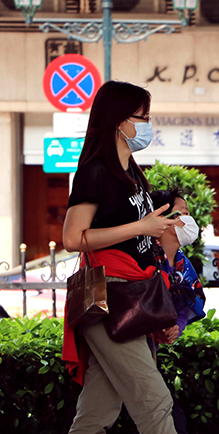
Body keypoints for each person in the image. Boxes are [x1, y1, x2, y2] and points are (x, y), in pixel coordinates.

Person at [62, 80, 180, 434]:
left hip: (127, 294)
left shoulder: (131, 173)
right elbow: (72, 238)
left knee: (99, 410)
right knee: (154, 402)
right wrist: (140, 228)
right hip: (109, 293)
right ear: (118, 121)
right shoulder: (96, 171)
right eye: (141, 117)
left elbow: (142, 224)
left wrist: (173, 205)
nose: (146, 125)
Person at [150, 187, 207, 434]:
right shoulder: (145, 259)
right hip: (134, 344)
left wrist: (175, 328)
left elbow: (184, 306)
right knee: (166, 412)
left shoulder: (183, 265)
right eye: (182, 213)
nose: (189, 220)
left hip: (151, 350)